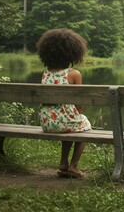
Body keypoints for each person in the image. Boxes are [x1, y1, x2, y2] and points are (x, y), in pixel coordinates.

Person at [36, 28, 92, 178]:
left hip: (47, 122)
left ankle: (63, 162)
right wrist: (79, 114)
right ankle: (73, 166)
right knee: (83, 128)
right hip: (64, 122)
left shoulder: (46, 73)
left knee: (71, 125)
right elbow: (79, 103)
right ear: (73, 53)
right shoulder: (74, 74)